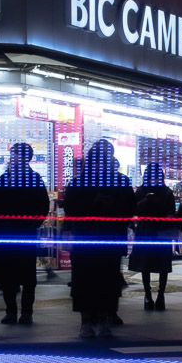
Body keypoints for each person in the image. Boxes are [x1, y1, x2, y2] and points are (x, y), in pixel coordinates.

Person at [63, 139, 136, 339]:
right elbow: (71, 209)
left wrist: (110, 206)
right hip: (91, 238)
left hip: (104, 239)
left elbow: (130, 209)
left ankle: (101, 319)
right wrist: (95, 204)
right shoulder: (81, 182)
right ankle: (88, 320)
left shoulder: (118, 182)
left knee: (104, 281)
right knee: (88, 281)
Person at [0, 143, 49, 325]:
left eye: (15, 155)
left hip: (24, 234)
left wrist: (31, 223)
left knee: (27, 276)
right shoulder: (4, 179)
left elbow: (42, 207)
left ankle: (26, 312)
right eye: (12, 155)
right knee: (8, 276)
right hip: (6, 235)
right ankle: (11, 311)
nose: (12, 158)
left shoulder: (33, 179)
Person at [127, 163, 176, 311]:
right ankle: (152, 295)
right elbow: (133, 207)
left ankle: (156, 295)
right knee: (150, 264)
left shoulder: (156, 191)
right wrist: (147, 201)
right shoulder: (158, 192)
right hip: (154, 230)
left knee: (154, 264)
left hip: (151, 230)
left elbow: (171, 211)